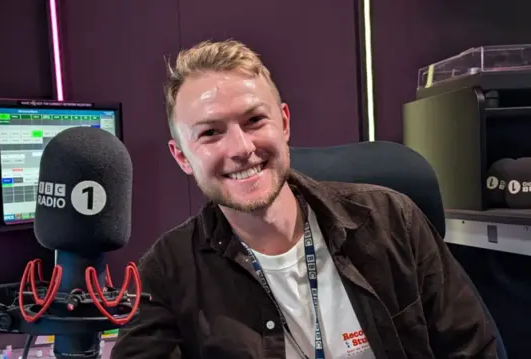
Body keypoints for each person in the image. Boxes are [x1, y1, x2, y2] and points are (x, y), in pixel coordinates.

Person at [111, 40, 497, 359]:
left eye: (254, 121)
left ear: (284, 123)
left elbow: (472, 350)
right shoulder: (166, 273)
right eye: (210, 132)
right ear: (182, 157)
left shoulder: (393, 221)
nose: (241, 148)